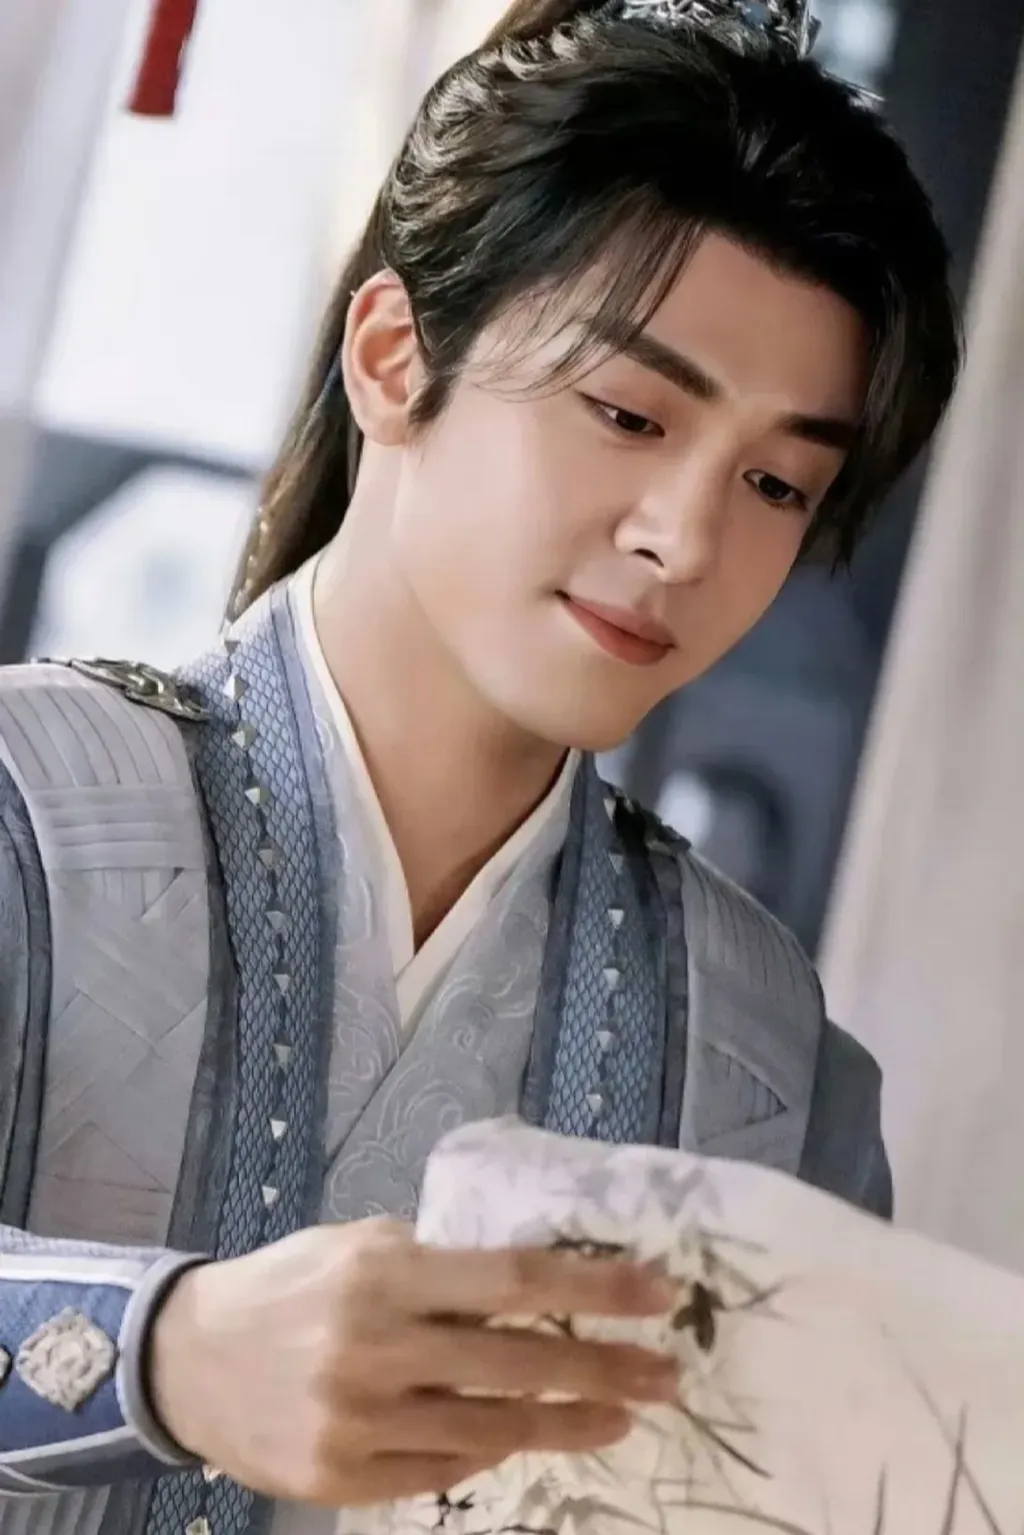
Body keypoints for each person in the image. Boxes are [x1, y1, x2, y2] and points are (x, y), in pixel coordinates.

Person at [0, 1, 960, 1532]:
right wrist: (158, 1354)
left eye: (779, 482)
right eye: (628, 412)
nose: (686, 537)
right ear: (393, 356)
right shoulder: (29, 809)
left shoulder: (763, 1046)